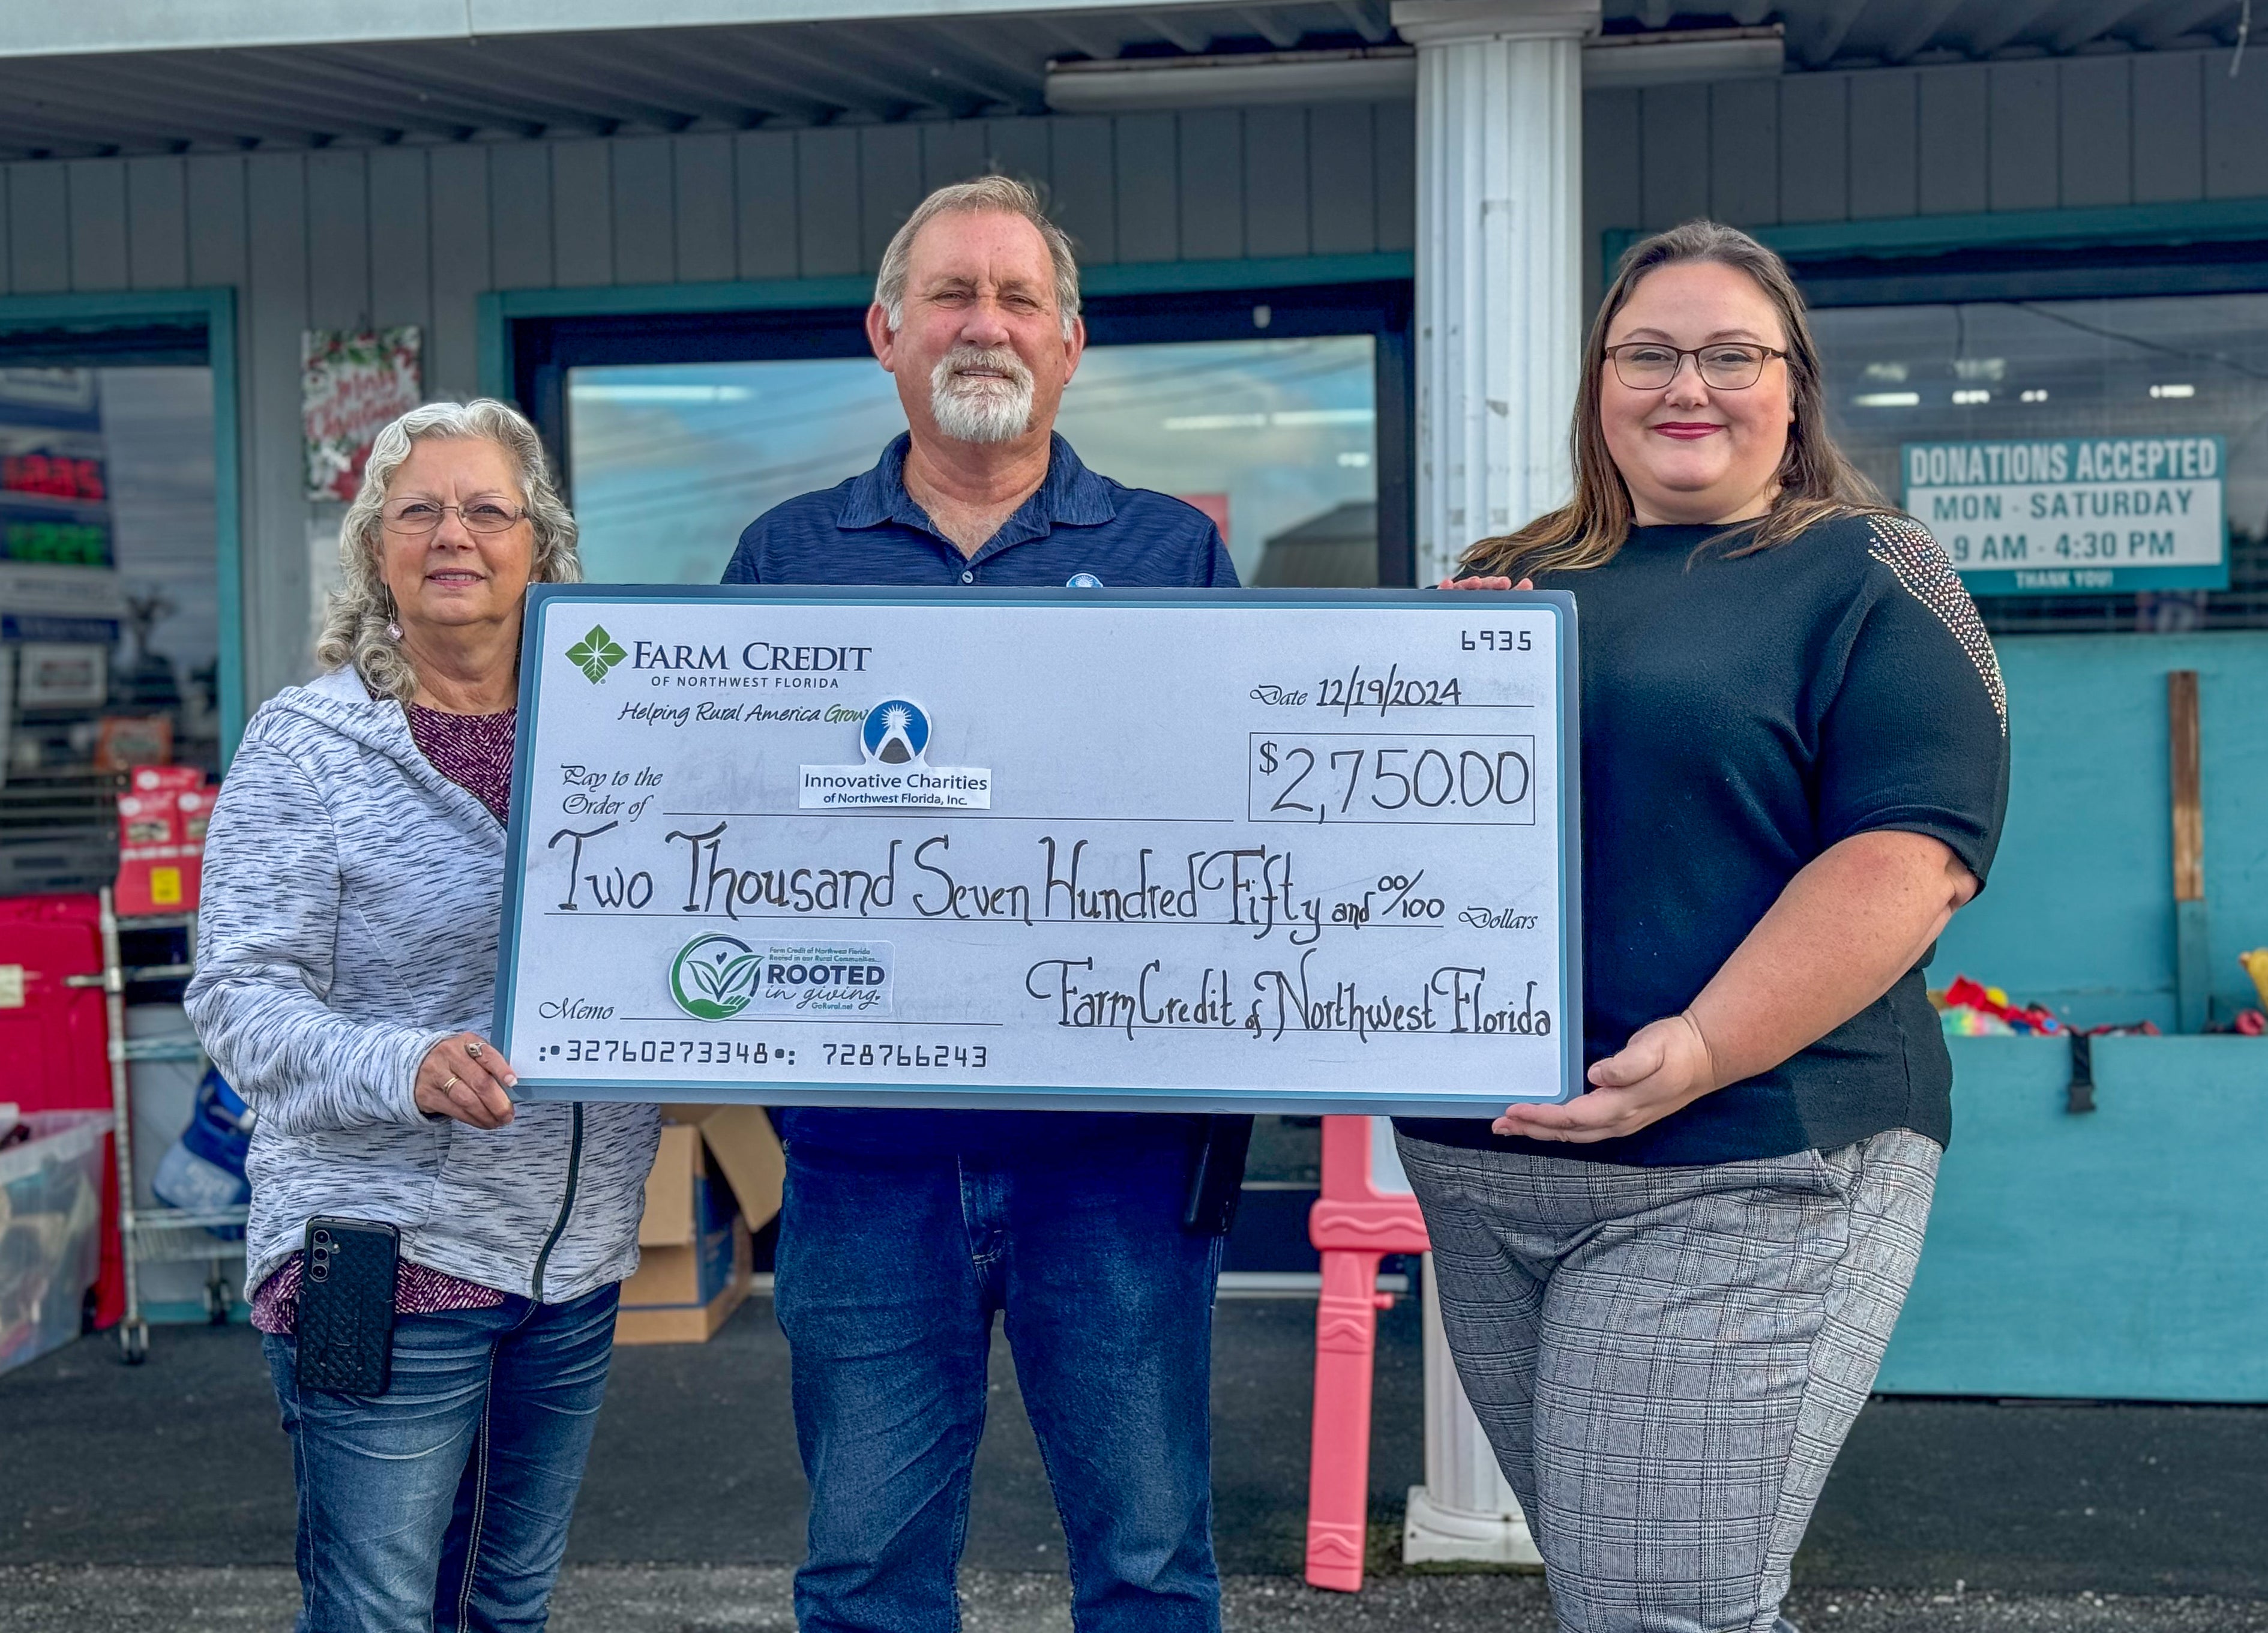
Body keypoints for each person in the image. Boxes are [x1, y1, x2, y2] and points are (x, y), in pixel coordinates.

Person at [1397, 219, 2010, 1633]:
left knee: (1657, 1605)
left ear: (1794, 386)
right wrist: (1412, 683)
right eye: (1650, 353)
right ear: (1598, 384)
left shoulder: (1873, 574)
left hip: (1748, 1161)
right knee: (1649, 1592)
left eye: (1733, 354)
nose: (1692, 385)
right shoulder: (1510, 573)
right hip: (1488, 1176)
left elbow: (1914, 855)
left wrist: (1705, 1042)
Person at [722, 176, 1242, 1633]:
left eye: (1019, 298)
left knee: (1147, 1568)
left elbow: (1252, 832)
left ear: (1072, 343)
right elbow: (720, 820)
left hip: (1120, 1164)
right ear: (886, 332)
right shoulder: (782, 559)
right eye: (953, 293)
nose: (986, 324)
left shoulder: (1171, 556)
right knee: (867, 1574)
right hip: (866, 1162)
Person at [187, 400, 661, 1633]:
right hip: (383, 1253)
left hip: (573, 1259)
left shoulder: (624, 733)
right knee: (383, 1611)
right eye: (419, 510)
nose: (455, 533)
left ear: (539, 546)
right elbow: (237, 997)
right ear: (377, 551)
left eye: (487, 508)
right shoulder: (306, 748)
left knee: (506, 1604)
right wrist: (409, 1064)